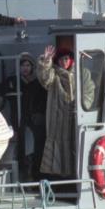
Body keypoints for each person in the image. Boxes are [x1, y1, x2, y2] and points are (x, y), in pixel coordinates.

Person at [0, 53, 48, 181]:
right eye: (23, 65)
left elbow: (43, 100)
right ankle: (21, 173)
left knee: (35, 147)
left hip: (33, 120)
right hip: (17, 120)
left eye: (28, 65)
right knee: (19, 148)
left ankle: (35, 174)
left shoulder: (37, 83)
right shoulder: (13, 81)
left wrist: (39, 114)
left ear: (32, 67)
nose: (25, 68)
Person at [37, 45, 78, 179]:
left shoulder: (80, 73)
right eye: (60, 59)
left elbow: (89, 91)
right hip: (58, 121)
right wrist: (46, 61)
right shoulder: (54, 74)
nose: (63, 62)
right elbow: (44, 79)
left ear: (71, 60)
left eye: (66, 59)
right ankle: (59, 181)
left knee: (76, 148)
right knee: (58, 154)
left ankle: (75, 178)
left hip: (76, 120)